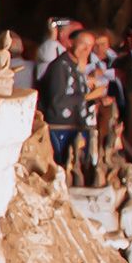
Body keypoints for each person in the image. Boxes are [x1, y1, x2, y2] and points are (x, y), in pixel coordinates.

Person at [37, 29, 103, 182]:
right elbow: (57, 101)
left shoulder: (76, 67)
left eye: (90, 46)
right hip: (60, 128)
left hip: (76, 127)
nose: (86, 50)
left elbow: (78, 97)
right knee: (62, 172)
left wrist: (96, 99)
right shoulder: (60, 66)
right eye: (83, 44)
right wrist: (88, 96)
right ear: (71, 42)